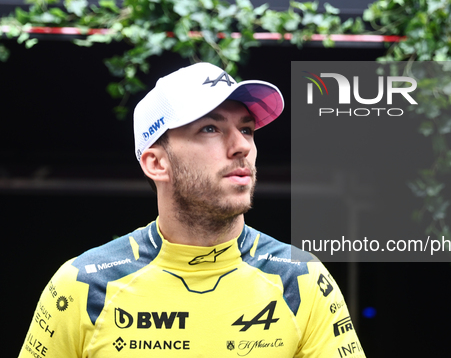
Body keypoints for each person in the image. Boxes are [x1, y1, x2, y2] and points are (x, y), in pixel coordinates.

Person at [19, 62, 365, 358]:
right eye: (210, 129)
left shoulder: (301, 278)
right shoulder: (83, 284)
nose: (242, 145)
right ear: (156, 163)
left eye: (246, 128)